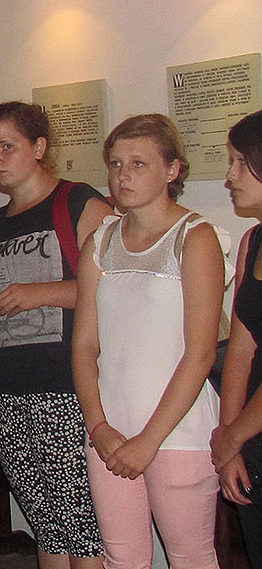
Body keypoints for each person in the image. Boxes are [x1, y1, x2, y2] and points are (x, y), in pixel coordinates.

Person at [73, 113, 226, 569]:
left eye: (138, 164)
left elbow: (200, 353)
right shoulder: (100, 241)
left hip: (177, 431)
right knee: (122, 559)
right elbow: (84, 345)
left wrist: (149, 441)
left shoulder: (195, 238)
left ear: (172, 170)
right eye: (116, 164)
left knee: (190, 558)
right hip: (110, 430)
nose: (123, 175)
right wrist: (98, 426)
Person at [0, 101, 110, 569]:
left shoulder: (79, 202)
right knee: (46, 524)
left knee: (83, 527)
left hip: (65, 386)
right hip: (9, 388)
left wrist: (40, 293)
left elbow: (114, 285)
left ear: (39, 147)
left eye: (7, 146)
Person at [210, 110, 262, 567]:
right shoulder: (252, 242)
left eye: (241, 162)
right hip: (250, 431)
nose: (230, 176)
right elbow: (240, 350)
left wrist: (233, 435)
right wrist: (229, 441)